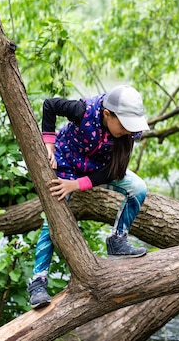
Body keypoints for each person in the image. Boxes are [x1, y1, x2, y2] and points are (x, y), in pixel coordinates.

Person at [27, 85, 150, 309]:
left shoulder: (127, 133)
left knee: (139, 187)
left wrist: (77, 185)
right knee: (53, 217)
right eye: (123, 125)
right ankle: (38, 281)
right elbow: (50, 105)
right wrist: (49, 146)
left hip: (98, 169)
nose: (127, 130)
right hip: (67, 163)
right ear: (107, 114)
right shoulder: (83, 111)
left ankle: (117, 240)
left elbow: (112, 171)